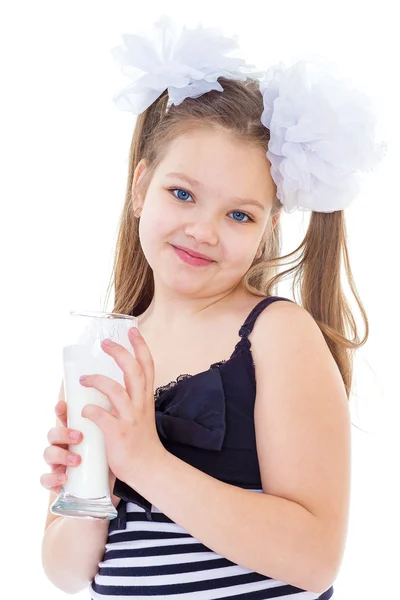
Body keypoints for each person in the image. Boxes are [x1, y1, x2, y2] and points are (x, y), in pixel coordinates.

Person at [40, 15, 386, 600]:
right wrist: (89, 485)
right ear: (139, 187)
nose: (203, 230)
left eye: (239, 214)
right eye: (182, 194)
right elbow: (67, 574)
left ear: (267, 227)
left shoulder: (275, 334)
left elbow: (314, 558)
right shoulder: (109, 349)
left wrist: (146, 460)